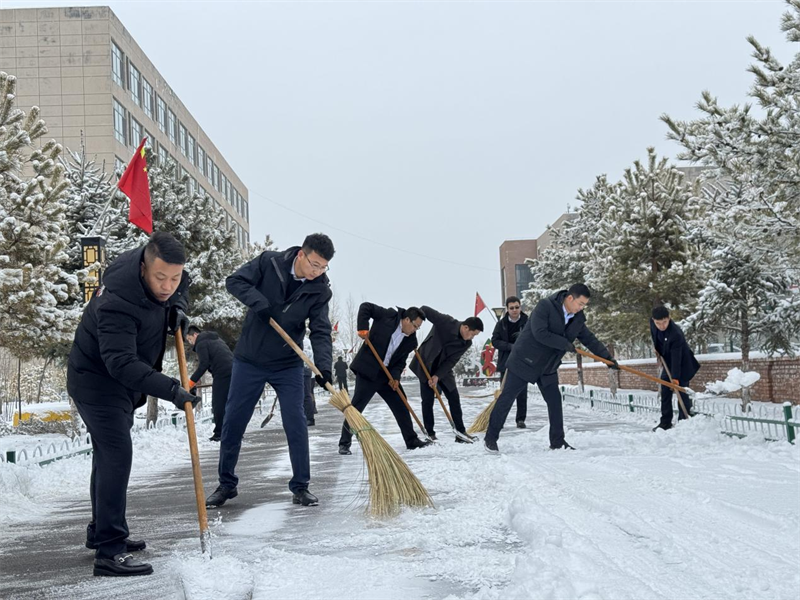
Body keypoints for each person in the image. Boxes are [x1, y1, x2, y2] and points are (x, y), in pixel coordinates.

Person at [67, 232, 198, 577]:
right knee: (116, 454)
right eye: (160, 278)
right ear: (143, 267)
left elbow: (182, 288)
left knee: (107, 454)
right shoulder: (118, 302)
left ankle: (101, 532)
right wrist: (172, 389)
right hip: (97, 382)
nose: (168, 285)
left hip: (118, 386)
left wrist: (178, 310)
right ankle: (109, 551)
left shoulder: (166, 278)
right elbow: (121, 363)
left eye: (175, 277)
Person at [205, 233, 334, 509]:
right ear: (301, 254)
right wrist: (258, 302)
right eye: (314, 264)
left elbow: (321, 330)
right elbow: (235, 281)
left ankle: (301, 486)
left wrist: (324, 366)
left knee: (296, 422)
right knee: (233, 422)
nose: (317, 272)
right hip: (249, 359)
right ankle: (226, 484)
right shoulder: (269, 262)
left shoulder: (320, 290)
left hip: (287, 364)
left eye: (323, 267)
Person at [484, 284, 619, 454]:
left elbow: (589, 339)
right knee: (507, 398)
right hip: (524, 361)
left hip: (548, 365)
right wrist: (565, 344)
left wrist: (608, 359)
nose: (581, 308)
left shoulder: (577, 318)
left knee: (555, 402)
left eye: (584, 305)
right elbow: (540, 333)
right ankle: (491, 438)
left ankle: (557, 441)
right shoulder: (545, 306)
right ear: (570, 298)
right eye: (581, 303)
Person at [338, 304, 431, 455]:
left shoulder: (411, 341)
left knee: (402, 404)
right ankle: (344, 443)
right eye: (415, 326)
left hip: (387, 376)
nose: (415, 330)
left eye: (418, 328)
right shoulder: (388, 315)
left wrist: (395, 377)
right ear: (407, 319)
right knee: (356, 407)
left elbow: (400, 362)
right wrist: (363, 328)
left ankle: (411, 441)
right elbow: (365, 307)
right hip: (369, 370)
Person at [411, 306, 483, 442]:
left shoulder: (466, 343)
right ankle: (430, 433)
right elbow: (424, 309)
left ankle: (460, 433)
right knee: (427, 400)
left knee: (454, 397)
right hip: (426, 363)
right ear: (466, 327)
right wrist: (414, 322)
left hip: (443, 369)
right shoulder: (446, 322)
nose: (472, 338)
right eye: (473, 334)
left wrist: (437, 376)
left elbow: (451, 361)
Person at [651, 305, 700, 431]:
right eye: (658, 323)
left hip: (682, 365)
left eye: (664, 322)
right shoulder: (653, 324)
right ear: (653, 320)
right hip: (668, 362)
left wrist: (675, 378)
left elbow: (676, 358)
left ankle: (684, 422)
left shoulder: (676, 334)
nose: (662, 326)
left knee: (681, 393)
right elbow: (655, 336)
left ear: (669, 318)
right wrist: (657, 348)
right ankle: (665, 422)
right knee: (665, 392)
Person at [186, 326, 234, 442]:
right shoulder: (215, 339)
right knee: (230, 403)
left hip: (222, 373)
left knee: (218, 404)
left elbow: (204, 364)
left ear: (195, 335)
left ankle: (219, 434)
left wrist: (190, 383)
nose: (190, 343)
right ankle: (233, 432)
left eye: (190, 339)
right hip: (234, 370)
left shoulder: (201, 342)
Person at [491, 296, 529, 428]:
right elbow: (495, 341)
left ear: (520, 307)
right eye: (511, 308)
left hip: (523, 362)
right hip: (506, 362)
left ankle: (520, 419)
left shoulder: (527, 322)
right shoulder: (501, 324)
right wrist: (509, 346)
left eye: (517, 307)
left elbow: (534, 337)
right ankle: (500, 419)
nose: (514, 310)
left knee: (522, 393)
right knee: (505, 392)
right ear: (507, 309)